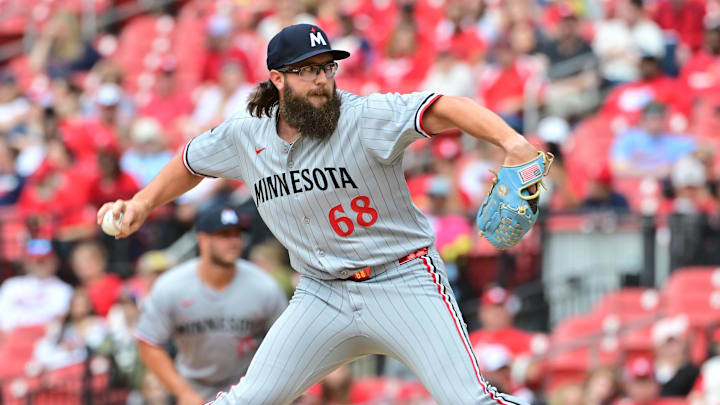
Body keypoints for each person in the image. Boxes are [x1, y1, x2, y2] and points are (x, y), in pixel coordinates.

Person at [98, 24, 541, 405]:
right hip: (320, 294)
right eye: (306, 70)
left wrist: (513, 144)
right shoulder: (245, 134)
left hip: (401, 279)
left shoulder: (363, 117)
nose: (321, 80)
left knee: (468, 399)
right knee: (248, 399)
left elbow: (445, 106)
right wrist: (141, 203)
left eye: (327, 67)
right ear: (277, 78)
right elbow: (190, 162)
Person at [133, 205, 288, 403]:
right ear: (202, 240)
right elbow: (148, 342)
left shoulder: (264, 286)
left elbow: (285, 344)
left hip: (249, 389)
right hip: (194, 387)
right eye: (224, 235)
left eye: (237, 234)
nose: (234, 242)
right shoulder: (171, 286)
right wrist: (183, 392)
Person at [0, 239, 73, 333]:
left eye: (44, 260)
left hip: (43, 343)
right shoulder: (11, 285)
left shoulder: (64, 290)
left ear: (55, 261)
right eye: (36, 261)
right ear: (27, 262)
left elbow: (56, 324)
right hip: (8, 340)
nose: (40, 264)